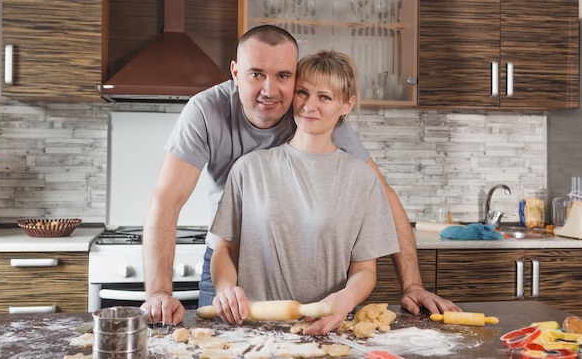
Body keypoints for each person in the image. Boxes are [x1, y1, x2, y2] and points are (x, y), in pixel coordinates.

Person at [141, 24, 460, 325]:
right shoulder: (206, 113)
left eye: (283, 76)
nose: (270, 90)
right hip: (233, 255)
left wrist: (412, 285)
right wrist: (158, 293)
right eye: (256, 74)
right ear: (236, 73)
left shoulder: (316, 119)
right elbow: (167, 200)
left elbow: (382, 195)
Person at [209, 50, 400, 335]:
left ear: (346, 105)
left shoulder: (362, 179)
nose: (310, 105)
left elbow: (364, 270)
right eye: (303, 93)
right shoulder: (249, 169)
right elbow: (225, 249)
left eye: (324, 97)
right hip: (251, 331)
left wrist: (345, 300)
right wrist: (226, 290)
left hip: (325, 329)